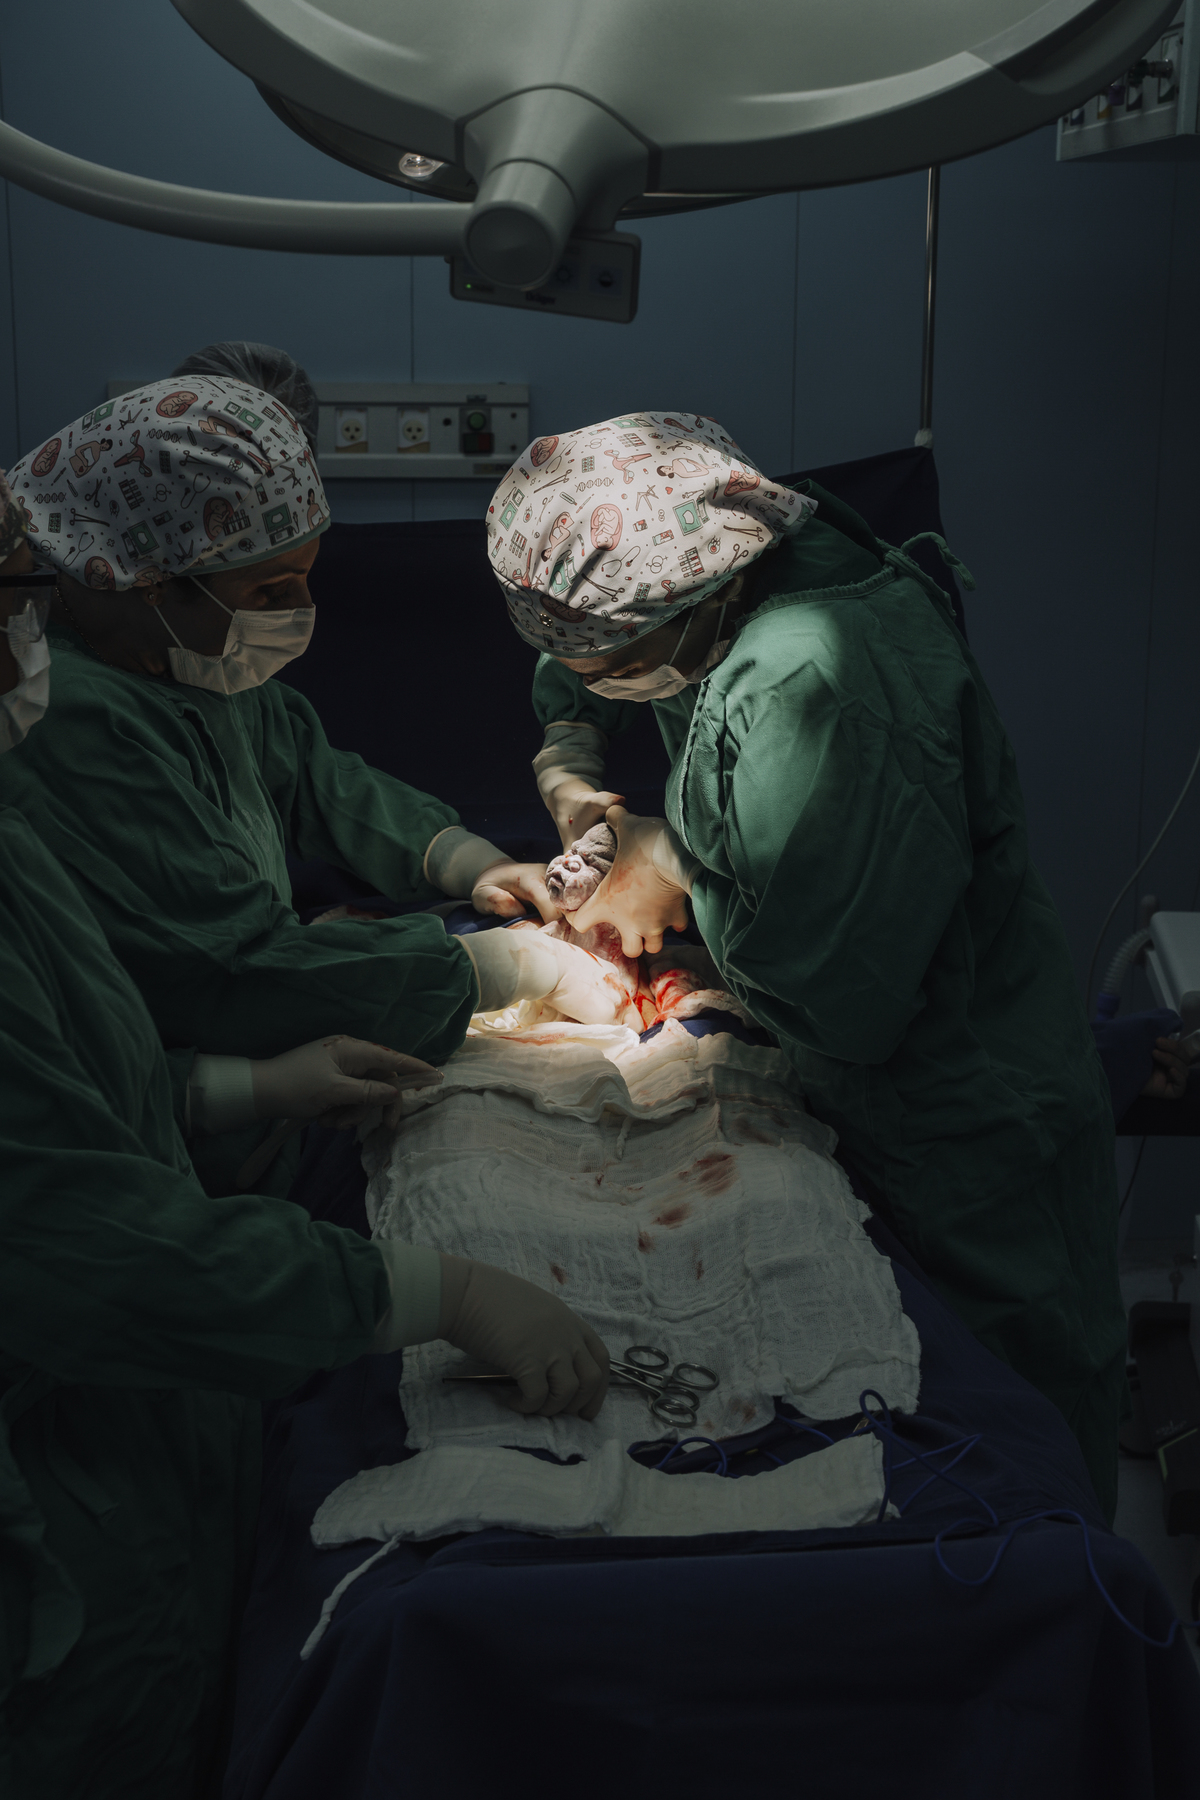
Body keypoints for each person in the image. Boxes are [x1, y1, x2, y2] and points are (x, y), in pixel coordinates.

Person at [0, 473, 610, 1800]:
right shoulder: (76, 733)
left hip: (161, 1364)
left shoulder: (154, 707)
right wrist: (437, 1291)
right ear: (128, 580)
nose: (21, 630)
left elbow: (84, 1065)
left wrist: (240, 1085)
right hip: (74, 1458)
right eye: (266, 588)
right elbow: (84, 1238)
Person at [487, 410, 1127, 1518]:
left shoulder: (820, 676)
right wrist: (572, 763)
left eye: (617, 664)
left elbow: (843, 994)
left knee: (1015, 1472)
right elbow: (587, 651)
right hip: (870, 1100)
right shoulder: (718, 560)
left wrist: (675, 871)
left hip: (962, 1128)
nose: (599, 675)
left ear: (696, 598)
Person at [0, 378, 627, 1195]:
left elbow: (309, 774)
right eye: (269, 593)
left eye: (304, 578)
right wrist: (503, 971)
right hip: (183, 1114)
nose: (301, 611)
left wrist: (466, 859)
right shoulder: (72, 716)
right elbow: (232, 972)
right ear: (147, 579)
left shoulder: (186, 653)